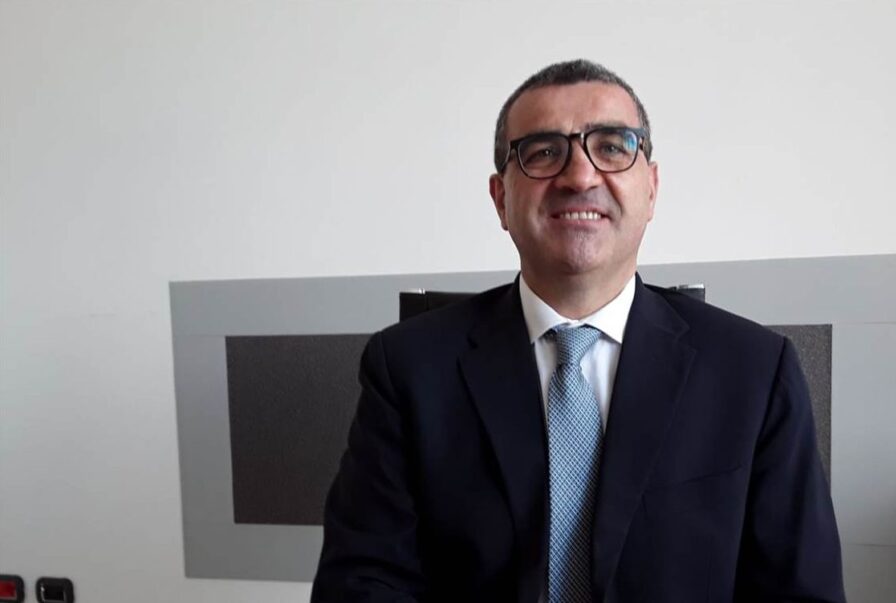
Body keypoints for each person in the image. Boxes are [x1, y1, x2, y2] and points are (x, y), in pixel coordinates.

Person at [311, 59, 845, 602]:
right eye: (544, 152)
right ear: (501, 199)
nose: (581, 177)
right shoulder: (407, 369)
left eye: (611, 147)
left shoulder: (754, 372)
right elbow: (360, 586)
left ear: (651, 188)